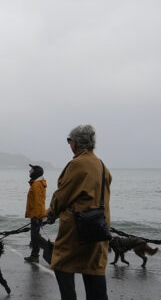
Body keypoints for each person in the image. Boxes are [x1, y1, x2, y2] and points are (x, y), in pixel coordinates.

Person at [46, 124, 112, 300]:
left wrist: (51, 213)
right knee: (94, 267)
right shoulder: (101, 165)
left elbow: (62, 195)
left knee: (62, 264)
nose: (69, 144)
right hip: (99, 227)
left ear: (75, 143)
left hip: (76, 228)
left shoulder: (77, 164)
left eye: (69, 141)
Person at [24, 164, 47, 263]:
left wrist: (36, 217)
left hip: (37, 214)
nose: (29, 171)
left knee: (35, 236)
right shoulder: (37, 183)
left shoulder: (36, 185)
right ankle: (34, 255)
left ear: (36, 172)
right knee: (35, 235)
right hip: (38, 213)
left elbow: (37, 202)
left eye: (31, 170)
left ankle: (50, 249)